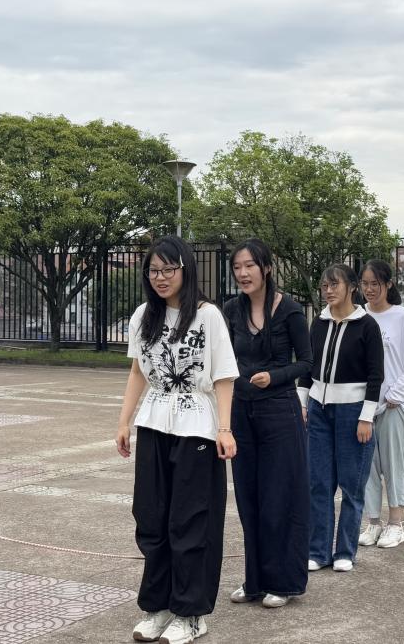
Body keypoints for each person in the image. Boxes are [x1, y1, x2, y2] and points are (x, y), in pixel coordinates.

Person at [115, 236, 238, 644]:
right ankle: (159, 606)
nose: (161, 277)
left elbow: (223, 375)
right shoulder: (143, 316)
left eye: (169, 269)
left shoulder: (207, 316)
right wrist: (124, 422)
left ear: (185, 269)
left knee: (191, 521)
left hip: (196, 426)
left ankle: (191, 613)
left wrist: (224, 428)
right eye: (153, 270)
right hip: (154, 423)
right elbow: (138, 370)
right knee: (151, 518)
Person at [222, 238, 312, 608]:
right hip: (241, 412)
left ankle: (283, 582)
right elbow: (222, 360)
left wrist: (274, 377)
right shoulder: (230, 310)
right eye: (237, 267)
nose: (243, 273)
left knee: (279, 498)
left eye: (250, 266)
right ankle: (255, 581)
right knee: (249, 497)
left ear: (267, 268)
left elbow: (306, 362)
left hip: (280, 412)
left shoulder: (290, 309)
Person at [298, 264, 383, 573]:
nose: (328, 290)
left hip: (353, 411)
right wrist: (303, 403)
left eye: (334, 284)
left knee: (351, 485)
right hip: (319, 410)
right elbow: (307, 366)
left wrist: (366, 417)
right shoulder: (318, 323)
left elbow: (376, 376)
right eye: (325, 285)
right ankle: (318, 551)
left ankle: (345, 551)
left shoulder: (367, 325)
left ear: (351, 287)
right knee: (318, 483)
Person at [357, 260, 404, 550]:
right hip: (364, 405)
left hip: (394, 405)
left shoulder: (403, 317)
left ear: (388, 284)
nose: (370, 289)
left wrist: (395, 395)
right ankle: (373, 521)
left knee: (394, 463)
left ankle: (396, 523)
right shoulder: (358, 315)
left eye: (375, 283)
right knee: (367, 465)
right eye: (365, 283)